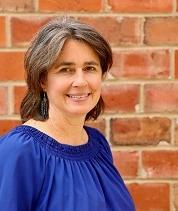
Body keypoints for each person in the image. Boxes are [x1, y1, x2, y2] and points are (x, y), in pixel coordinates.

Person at [0, 17, 135, 211]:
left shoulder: (97, 144)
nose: (80, 81)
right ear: (42, 80)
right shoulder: (18, 151)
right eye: (66, 70)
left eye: (89, 68)